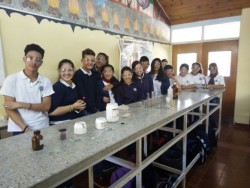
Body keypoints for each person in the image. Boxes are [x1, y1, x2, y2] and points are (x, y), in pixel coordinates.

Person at [0, 44, 54, 135]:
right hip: (19, 128)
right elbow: (8, 107)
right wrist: (25, 128)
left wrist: (20, 104)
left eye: (38, 59)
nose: (34, 62)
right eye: (30, 58)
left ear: (41, 63)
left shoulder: (45, 81)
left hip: (42, 126)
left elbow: (46, 107)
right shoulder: (11, 80)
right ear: (24, 59)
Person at [49, 59, 86, 125]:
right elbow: (52, 112)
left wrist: (79, 103)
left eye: (70, 70)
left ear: (73, 71)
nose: (67, 73)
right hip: (60, 123)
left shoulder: (73, 85)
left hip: (74, 120)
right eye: (63, 70)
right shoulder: (57, 87)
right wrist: (73, 107)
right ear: (59, 71)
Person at [73, 48, 100, 115]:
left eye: (92, 60)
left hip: (96, 108)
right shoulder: (77, 75)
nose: (90, 62)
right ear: (82, 60)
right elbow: (80, 94)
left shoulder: (95, 74)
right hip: (84, 110)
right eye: (87, 60)